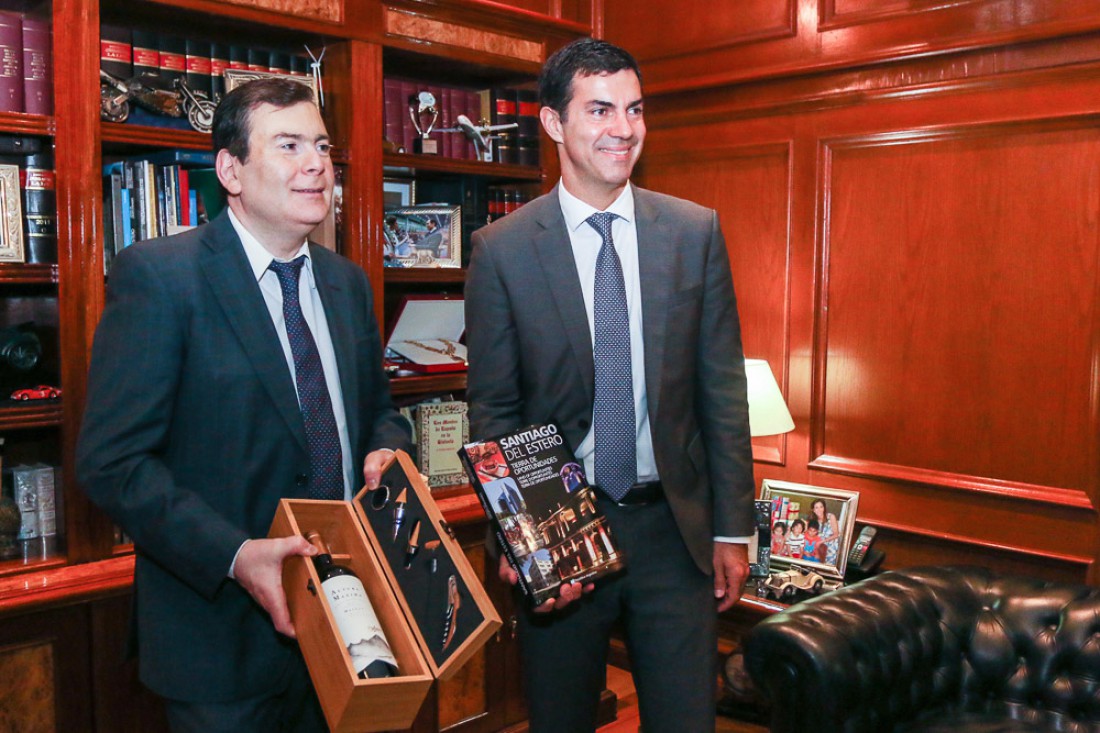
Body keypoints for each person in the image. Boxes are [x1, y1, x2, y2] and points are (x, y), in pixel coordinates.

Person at [76, 78, 411, 733]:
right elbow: (112, 462)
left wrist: (387, 448)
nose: (316, 163)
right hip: (218, 639)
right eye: (289, 145)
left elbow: (380, 411)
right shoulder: (161, 277)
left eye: (322, 146)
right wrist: (236, 554)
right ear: (230, 171)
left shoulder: (347, 283)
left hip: (347, 619)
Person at [465, 37, 755, 733]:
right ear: (553, 122)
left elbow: (722, 391)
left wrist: (732, 529)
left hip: (675, 531)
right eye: (599, 110)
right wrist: (524, 539)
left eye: (634, 109)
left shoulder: (693, 232)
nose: (623, 128)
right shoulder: (501, 250)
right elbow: (496, 410)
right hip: (565, 525)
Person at [810, 498, 841, 565]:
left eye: (821, 507)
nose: (819, 510)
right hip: (819, 546)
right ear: (813, 510)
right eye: (816, 507)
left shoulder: (831, 516)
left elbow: (836, 534)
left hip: (831, 545)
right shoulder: (813, 520)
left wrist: (822, 541)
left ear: (824, 508)